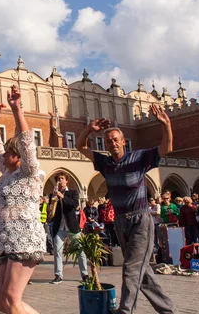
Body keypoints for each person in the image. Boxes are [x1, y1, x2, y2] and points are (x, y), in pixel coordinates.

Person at [76, 104, 176, 314]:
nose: (112, 142)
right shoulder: (104, 162)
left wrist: (166, 125)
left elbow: (166, 149)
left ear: (123, 142)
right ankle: (168, 310)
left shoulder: (139, 158)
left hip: (141, 220)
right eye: (108, 140)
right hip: (121, 221)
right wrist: (89, 129)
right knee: (142, 271)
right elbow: (80, 146)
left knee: (131, 268)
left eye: (115, 139)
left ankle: (125, 310)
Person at [0, 85, 45, 314]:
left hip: (24, 238)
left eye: (7, 153)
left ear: (18, 156)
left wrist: (16, 109)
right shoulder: (6, 174)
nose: (2, 156)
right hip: (5, 240)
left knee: (12, 298)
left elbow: (27, 141)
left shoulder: (28, 172)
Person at [48, 172, 88, 284]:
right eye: (58, 179)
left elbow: (74, 205)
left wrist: (63, 197)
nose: (60, 180)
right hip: (59, 227)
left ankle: (85, 274)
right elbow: (52, 212)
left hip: (72, 227)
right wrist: (50, 207)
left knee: (80, 251)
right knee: (57, 251)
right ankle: (58, 275)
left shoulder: (72, 192)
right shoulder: (53, 194)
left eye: (62, 178)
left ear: (66, 181)